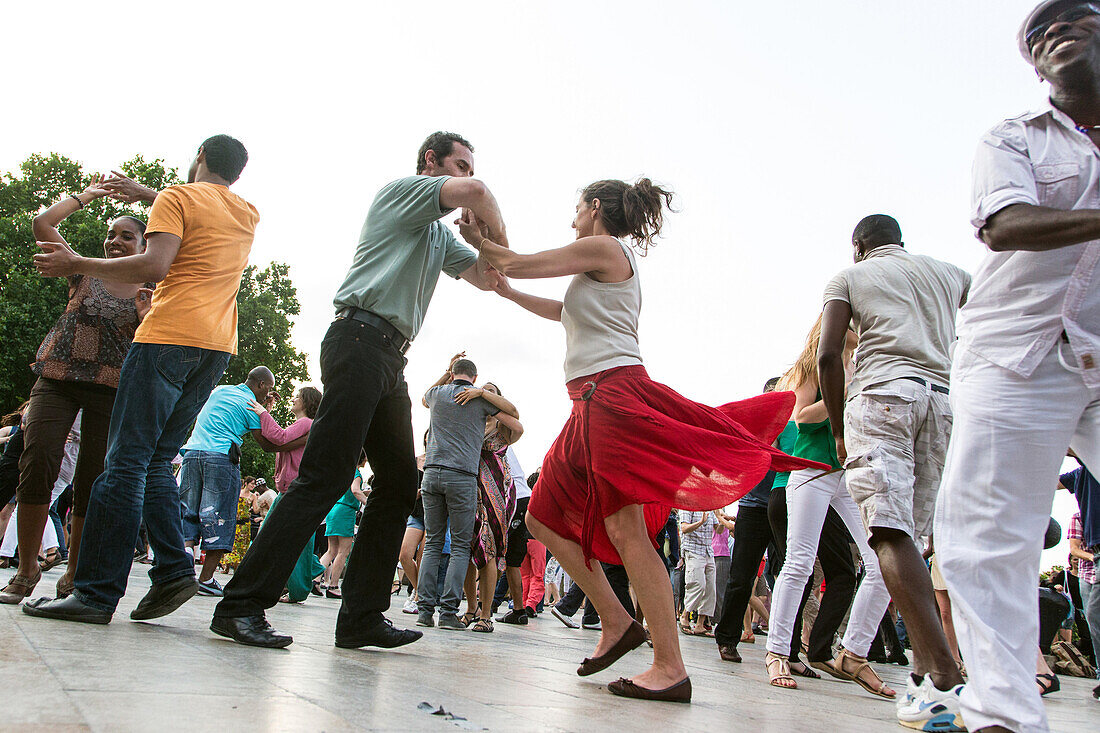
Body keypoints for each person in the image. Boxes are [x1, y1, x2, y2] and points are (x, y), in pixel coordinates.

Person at [463, 177, 828, 703]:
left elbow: (521, 259)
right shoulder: (597, 269)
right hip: (589, 404)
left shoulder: (606, 247)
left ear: (594, 208)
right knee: (541, 515)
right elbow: (561, 311)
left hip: (612, 399)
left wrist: (484, 244)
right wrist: (508, 289)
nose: (571, 219)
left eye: (575, 209)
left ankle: (670, 666)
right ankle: (616, 620)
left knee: (628, 533)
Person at [212, 131, 506, 650]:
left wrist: (483, 240)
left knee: (396, 483)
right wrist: (486, 216)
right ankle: (240, 605)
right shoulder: (401, 194)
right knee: (324, 475)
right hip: (359, 338)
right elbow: (479, 193)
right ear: (430, 163)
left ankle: (361, 617)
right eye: (457, 165)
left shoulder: (438, 237)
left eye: (466, 168)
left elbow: (488, 277)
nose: (464, 175)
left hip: (390, 356)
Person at [934, 2, 1100, 726]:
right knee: (989, 536)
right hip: (1017, 354)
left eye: (1078, 16)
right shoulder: (1012, 137)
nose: (1056, 28)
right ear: (1035, 65)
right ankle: (1003, 714)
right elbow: (1005, 225)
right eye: (1041, 32)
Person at [25, 134, 257, 625]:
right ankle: (174, 568)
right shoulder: (245, 212)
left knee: (124, 464)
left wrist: (76, 262)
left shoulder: (177, 197)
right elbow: (197, 211)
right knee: (154, 463)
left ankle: (94, 594)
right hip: (215, 348)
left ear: (199, 157)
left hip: (167, 337)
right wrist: (145, 194)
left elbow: (155, 264)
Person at [0, 178, 153, 606]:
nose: (115, 241)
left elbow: (150, 349)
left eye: (127, 236)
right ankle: (27, 568)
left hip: (111, 389)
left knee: (93, 479)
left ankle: (74, 572)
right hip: (57, 376)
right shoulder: (83, 267)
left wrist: (144, 317)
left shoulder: (154, 288)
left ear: (146, 244)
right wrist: (88, 196)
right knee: (38, 458)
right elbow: (42, 223)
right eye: (110, 234)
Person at [765, 318, 894, 697]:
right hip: (812, 469)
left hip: (850, 473)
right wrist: (846, 387)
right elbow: (802, 418)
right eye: (853, 319)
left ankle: (853, 652)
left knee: (882, 562)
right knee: (800, 561)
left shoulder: (867, 361)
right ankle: (776, 652)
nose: (861, 324)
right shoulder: (813, 365)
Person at [416, 356, 518, 631]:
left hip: (432, 473)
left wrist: (445, 373)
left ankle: (424, 610)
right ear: (474, 377)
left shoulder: (437, 394)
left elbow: (424, 398)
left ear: (452, 373)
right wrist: (482, 393)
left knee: (434, 543)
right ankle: (449, 612)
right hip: (461, 477)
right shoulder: (477, 399)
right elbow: (514, 412)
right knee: (461, 546)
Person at [177, 367, 279, 596]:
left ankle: (183, 569)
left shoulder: (220, 390)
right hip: (220, 457)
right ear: (262, 384)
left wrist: (265, 407)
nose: (267, 394)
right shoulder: (252, 405)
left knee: (189, 512)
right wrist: (265, 412)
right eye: (268, 389)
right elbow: (266, 442)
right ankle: (205, 579)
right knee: (219, 517)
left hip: (192, 453)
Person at [247, 386, 320, 603]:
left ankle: (298, 587)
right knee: (294, 541)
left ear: (306, 402)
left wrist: (262, 412)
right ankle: (312, 569)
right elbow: (279, 436)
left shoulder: (306, 423)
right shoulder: (302, 424)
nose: (294, 398)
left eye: (298, 396)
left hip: (293, 492)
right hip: (288, 491)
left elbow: (278, 437)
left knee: (273, 538)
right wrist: (267, 410)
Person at [463, 381, 522, 632]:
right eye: (483, 389)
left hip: (498, 491)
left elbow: (517, 419)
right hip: (470, 489)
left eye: (492, 391)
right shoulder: (470, 422)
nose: (485, 394)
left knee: (489, 547)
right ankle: (470, 607)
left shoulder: (504, 426)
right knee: (465, 549)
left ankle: (486, 615)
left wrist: (482, 393)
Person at [320, 457, 370, 598]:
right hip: (345, 512)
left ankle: (314, 579)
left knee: (331, 550)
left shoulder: (343, 471)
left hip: (334, 509)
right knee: (344, 551)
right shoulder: (356, 474)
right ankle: (334, 585)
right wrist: (367, 502)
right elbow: (355, 491)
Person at [678, 509, 717, 636]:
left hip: (708, 551)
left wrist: (721, 519)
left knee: (710, 588)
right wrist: (700, 522)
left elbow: (719, 529)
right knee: (697, 584)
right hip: (693, 550)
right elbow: (684, 528)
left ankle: (700, 624)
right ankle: (685, 615)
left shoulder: (710, 507)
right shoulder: (687, 506)